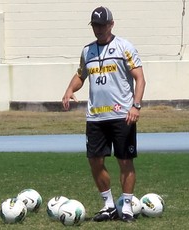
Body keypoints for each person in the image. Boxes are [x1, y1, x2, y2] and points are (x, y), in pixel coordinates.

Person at [62, 6, 146, 222]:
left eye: (102, 25)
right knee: (95, 161)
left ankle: (126, 206)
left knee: (125, 161)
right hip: (96, 117)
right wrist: (70, 89)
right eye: (95, 25)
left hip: (121, 115)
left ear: (111, 24)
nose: (98, 29)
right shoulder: (87, 51)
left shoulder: (124, 47)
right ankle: (108, 205)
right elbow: (81, 75)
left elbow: (140, 78)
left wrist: (135, 106)